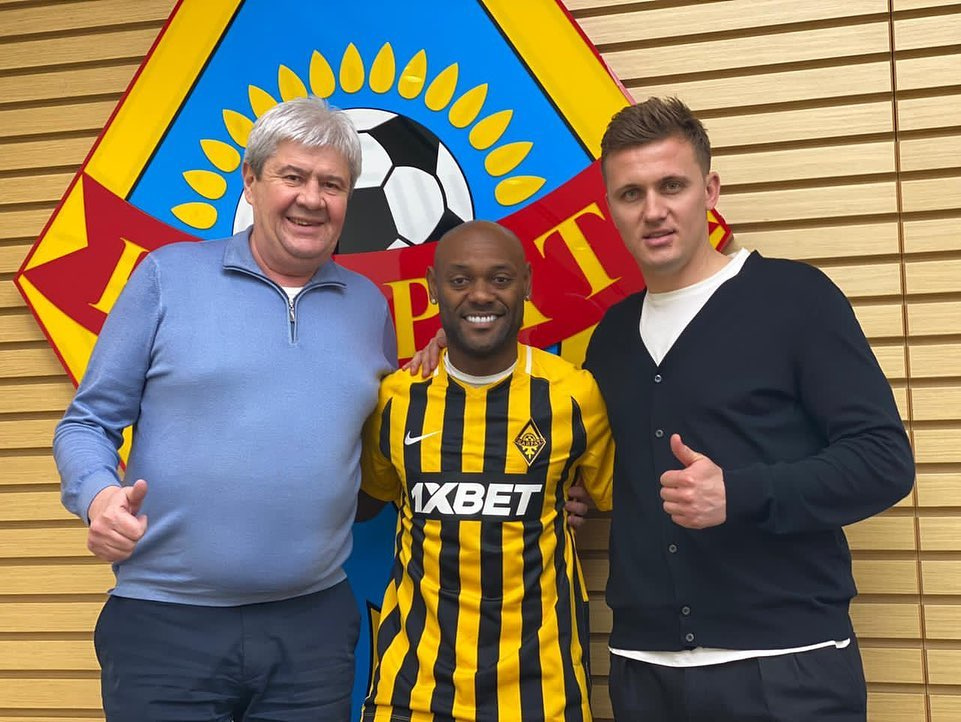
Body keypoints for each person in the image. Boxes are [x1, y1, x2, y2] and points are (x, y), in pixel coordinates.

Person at [53, 97, 396, 721]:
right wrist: (99, 498)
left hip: (312, 630)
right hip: (166, 624)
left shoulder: (370, 305)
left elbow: (389, 434)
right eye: (292, 176)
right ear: (251, 181)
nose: (312, 199)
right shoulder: (166, 277)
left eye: (332, 184)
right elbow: (87, 422)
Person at [584, 96, 915, 720]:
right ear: (611, 210)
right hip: (644, 671)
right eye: (631, 194)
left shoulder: (796, 299)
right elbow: (600, 464)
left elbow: (883, 461)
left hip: (787, 667)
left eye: (672, 186)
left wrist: (739, 494)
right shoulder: (611, 337)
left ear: (709, 191)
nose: (653, 210)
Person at [357, 220, 615, 721]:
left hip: (544, 690)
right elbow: (373, 495)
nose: (480, 295)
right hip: (411, 689)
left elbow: (617, 496)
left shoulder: (574, 396)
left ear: (527, 284)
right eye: (460, 280)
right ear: (433, 288)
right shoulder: (395, 400)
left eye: (500, 279)